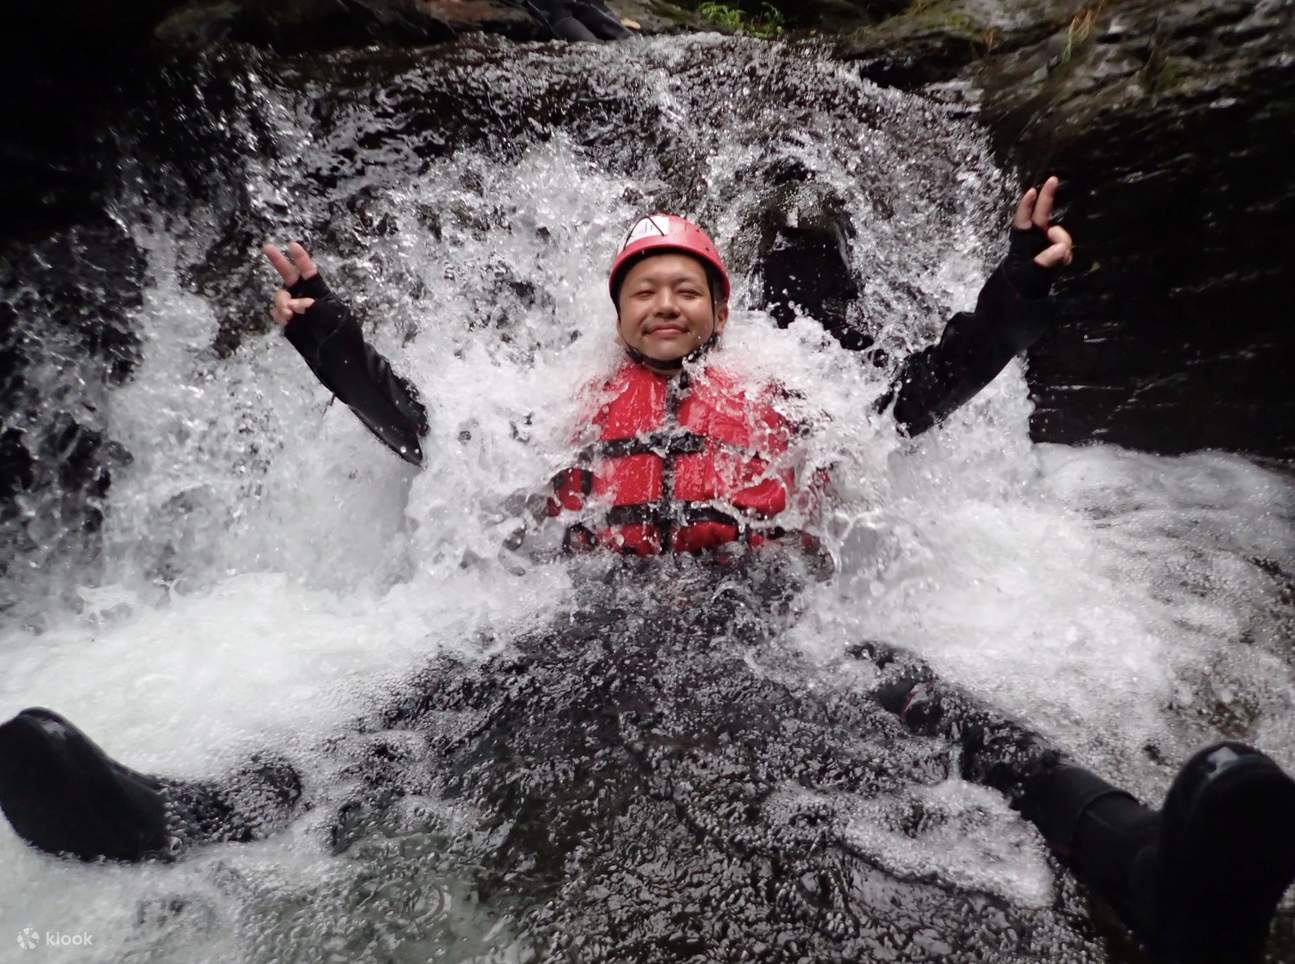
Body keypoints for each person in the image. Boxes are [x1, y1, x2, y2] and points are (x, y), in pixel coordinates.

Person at [2, 183, 1293, 964]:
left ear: (717, 309)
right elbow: (424, 439)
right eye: (646, 290)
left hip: (775, 623)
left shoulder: (789, 400)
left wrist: (1020, 290)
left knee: (961, 722)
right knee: (412, 722)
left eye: (687, 289)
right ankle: (179, 827)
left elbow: (924, 395)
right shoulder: (556, 410)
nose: (667, 305)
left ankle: (1150, 873)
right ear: (619, 310)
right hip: (581, 622)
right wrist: (328, 335)